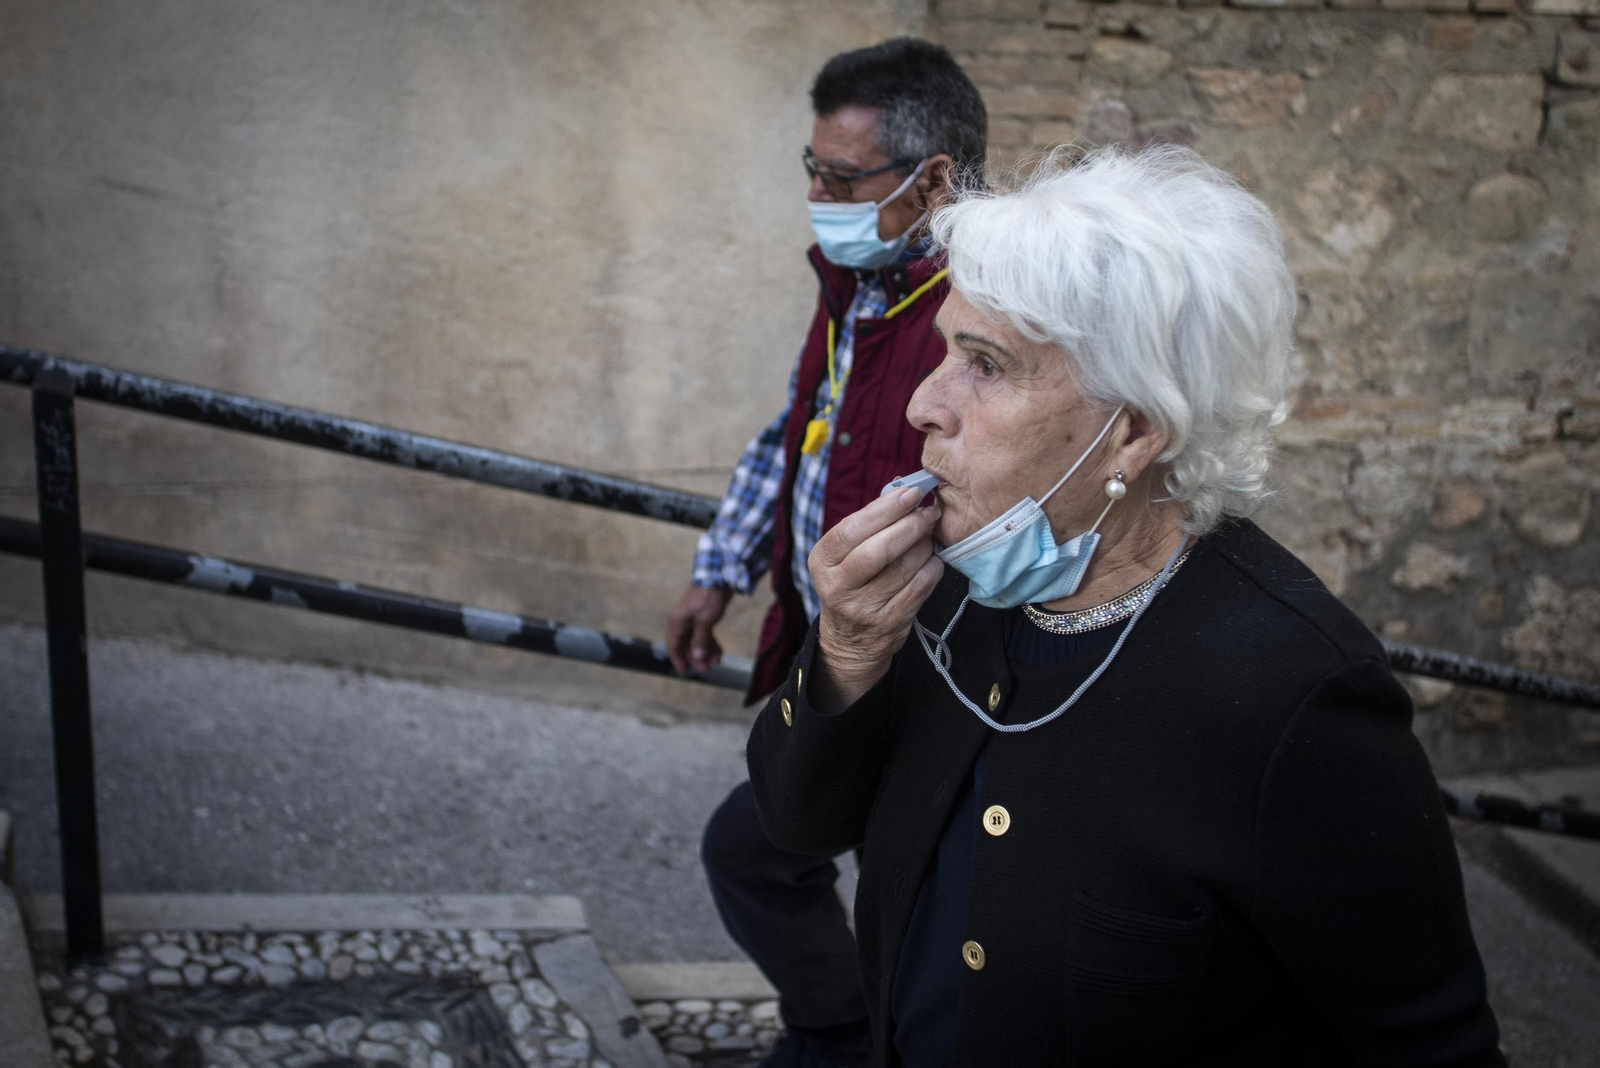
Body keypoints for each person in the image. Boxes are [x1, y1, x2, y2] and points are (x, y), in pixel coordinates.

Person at [746, 146, 1505, 1067]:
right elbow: (798, 827)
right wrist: (847, 651)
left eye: (985, 365)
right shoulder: (950, 584)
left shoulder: (1292, 694)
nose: (921, 404)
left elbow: (1432, 1048)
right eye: (948, 347)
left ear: (1136, 432)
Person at [663, 38, 986, 1068]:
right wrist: (720, 566)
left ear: (933, 179)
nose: (815, 195)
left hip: (928, 686)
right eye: (811, 169)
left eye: (840, 177)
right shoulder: (857, 282)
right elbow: (799, 427)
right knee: (768, 855)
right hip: (832, 656)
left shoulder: (987, 313)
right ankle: (841, 1033)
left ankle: (848, 1040)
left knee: (902, 907)